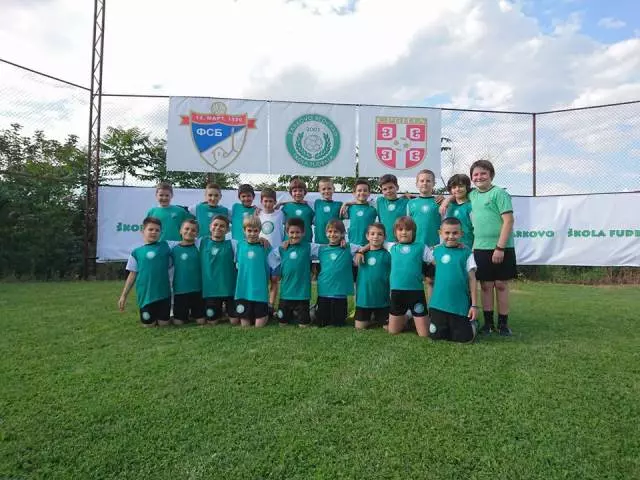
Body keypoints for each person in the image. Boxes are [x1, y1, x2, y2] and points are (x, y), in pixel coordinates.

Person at [468, 160, 516, 336]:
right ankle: (488, 324)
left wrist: (500, 248)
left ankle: (503, 324)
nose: (479, 177)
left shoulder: (499, 193)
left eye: (483, 173)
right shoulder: (472, 195)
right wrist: (446, 200)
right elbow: (456, 195)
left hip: (502, 247)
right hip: (480, 248)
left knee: (501, 285)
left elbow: (508, 221)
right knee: (486, 286)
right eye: (475, 174)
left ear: (491, 175)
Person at [428, 217, 478, 343]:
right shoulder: (434, 251)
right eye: (447, 233)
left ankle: (472, 324)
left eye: (455, 233)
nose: (451, 236)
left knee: (464, 340)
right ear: (440, 233)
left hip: (459, 306)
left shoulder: (467, 253)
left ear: (461, 234)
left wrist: (474, 305)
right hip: (438, 305)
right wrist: (430, 305)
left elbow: (472, 279)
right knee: (436, 337)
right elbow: (429, 279)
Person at [384, 216, 434, 337]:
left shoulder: (421, 247)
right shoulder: (391, 247)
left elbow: (434, 261)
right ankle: (407, 316)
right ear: (395, 232)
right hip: (397, 293)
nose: (404, 232)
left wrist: (459, 245)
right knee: (393, 331)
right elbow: (373, 242)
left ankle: (412, 315)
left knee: (424, 334)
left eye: (408, 229)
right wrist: (360, 251)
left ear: (414, 232)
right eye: (400, 229)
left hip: (416, 293)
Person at [118, 216, 171, 327]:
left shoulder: (166, 246)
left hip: (164, 295)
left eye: (157, 230)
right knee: (149, 325)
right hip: (146, 296)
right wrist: (123, 296)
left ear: (161, 233)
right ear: (143, 231)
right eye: (150, 229)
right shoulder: (136, 252)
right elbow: (132, 274)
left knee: (164, 324)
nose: (154, 232)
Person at [271, 218, 319, 327]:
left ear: (303, 233)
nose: (294, 235)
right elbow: (270, 259)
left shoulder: (309, 247)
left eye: (298, 232)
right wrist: (276, 273)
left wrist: (341, 242)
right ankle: (284, 313)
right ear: (287, 233)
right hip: (286, 294)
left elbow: (326, 249)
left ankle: (310, 312)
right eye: (291, 232)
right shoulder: (282, 249)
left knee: (303, 325)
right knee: (282, 323)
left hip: (302, 295)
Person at [234, 216, 278, 328]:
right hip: (243, 292)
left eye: (255, 231)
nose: (252, 234)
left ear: (260, 230)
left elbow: (275, 265)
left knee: (259, 326)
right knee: (245, 326)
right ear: (244, 230)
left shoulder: (266, 246)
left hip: (260, 293)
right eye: (249, 230)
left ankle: (268, 312)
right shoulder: (239, 246)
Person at [316, 220, 359, 327]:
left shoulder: (349, 247)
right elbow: (303, 246)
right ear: (326, 233)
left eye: (336, 232)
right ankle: (314, 310)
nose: (332, 234)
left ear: (343, 233)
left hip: (340, 293)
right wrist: (287, 242)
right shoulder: (320, 249)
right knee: (322, 322)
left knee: (339, 323)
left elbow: (365, 247)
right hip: (324, 291)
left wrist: (360, 252)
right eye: (330, 231)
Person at [407, 169, 441, 299]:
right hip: (416, 247)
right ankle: (417, 308)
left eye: (428, 181)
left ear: (434, 183)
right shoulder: (411, 203)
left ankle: (432, 308)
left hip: (433, 247)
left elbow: (444, 224)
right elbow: (408, 226)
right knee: (415, 279)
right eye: (422, 180)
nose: (425, 183)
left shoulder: (438, 202)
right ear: (417, 183)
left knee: (431, 280)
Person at [200, 215, 238, 326]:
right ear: (210, 227)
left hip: (229, 289)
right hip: (211, 290)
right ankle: (220, 311)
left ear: (227, 230)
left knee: (235, 321)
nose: (218, 228)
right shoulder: (201, 242)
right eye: (215, 225)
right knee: (212, 322)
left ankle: (226, 310)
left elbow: (249, 243)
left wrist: (262, 239)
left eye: (222, 226)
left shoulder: (233, 244)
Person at [353, 223, 391, 330]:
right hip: (364, 301)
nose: (376, 237)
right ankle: (371, 317)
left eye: (380, 234)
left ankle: (406, 315)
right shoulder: (360, 254)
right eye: (372, 234)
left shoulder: (388, 254)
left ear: (384, 237)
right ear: (367, 236)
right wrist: (360, 251)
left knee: (388, 328)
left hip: (383, 301)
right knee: (359, 327)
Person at [170, 219, 205, 326]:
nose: (189, 232)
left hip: (198, 291)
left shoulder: (200, 249)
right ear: (180, 231)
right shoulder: (173, 250)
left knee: (201, 321)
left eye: (193, 230)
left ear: (197, 233)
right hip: (180, 291)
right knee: (178, 323)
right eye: (186, 229)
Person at [258, 187, 285, 313]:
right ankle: (261, 303)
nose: (268, 204)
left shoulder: (280, 214)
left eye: (270, 201)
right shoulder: (258, 214)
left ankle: (271, 305)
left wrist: (283, 203)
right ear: (261, 201)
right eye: (265, 201)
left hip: (276, 254)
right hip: (262, 253)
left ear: (275, 202)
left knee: (274, 280)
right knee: (263, 280)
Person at [340, 178, 378, 248]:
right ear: (354, 193)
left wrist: (348, 202)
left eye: (365, 190)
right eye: (359, 190)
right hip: (352, 244)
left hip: (369, 245)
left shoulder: (373, 208)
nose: (362, 192)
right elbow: (339, 221)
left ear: (369, 193)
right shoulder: (349, 208)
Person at [376, 174, 409, 242]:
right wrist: (351, 203)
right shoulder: (379, 201)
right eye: (385, 189)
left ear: (397, 187)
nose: (388, 191)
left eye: (391, 188)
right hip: (384, 242)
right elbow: (363, 201)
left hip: (400, 241)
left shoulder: (406, 202)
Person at [281, 178, 315, 243]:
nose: (298, 193)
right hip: (289, 243)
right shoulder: (286, 207)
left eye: (300, 190)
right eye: (295, 191)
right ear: (291, 193)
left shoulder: (310, 207)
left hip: (306, 242)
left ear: (304, 192)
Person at [444, 174, 474, 249]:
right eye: (454, 187)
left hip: (467, 246)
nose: (457, 189)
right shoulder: (449, 206)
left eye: (461, 186)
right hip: (450, 245)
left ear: (467, 187)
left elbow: (477, 229)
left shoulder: (471, 206)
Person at [313, 177, 343, 244]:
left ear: (333, 189)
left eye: (329, 188)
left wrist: (342, 238)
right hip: (319, 243)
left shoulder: (339, 205)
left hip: (335, 243)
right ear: (319, 190)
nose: (326, 191)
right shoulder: (317, 203)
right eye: (323, 189)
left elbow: (341, 225)